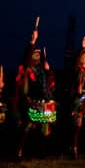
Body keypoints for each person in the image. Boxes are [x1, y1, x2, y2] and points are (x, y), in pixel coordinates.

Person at [14, 28, 57, 161]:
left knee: (45, 127)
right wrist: (32, 42)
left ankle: (41, 152)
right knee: (27, 126)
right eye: (35, 53)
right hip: (32, 100)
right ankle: (19, 152)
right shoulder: (27, 67)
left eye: (39, 53)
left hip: (46, 101)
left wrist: (49, 71)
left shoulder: (42, 68)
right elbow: (26, 59)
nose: (37, 55)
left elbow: (50, 85)